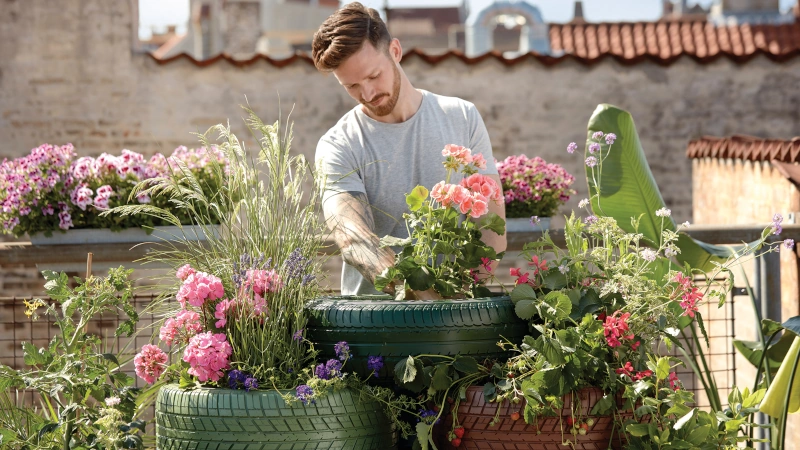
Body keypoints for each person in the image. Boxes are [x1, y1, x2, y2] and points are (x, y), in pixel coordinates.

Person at [312, 2, 506, 298]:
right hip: (373, 326)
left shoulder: (462, 117)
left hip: (458, 320)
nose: (367, 94)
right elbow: (352, 236)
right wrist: (425, 300)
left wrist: (462, 300)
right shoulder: (338, 144)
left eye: (373, 76)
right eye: (351, 86)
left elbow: (492, 229)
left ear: (395, 51)